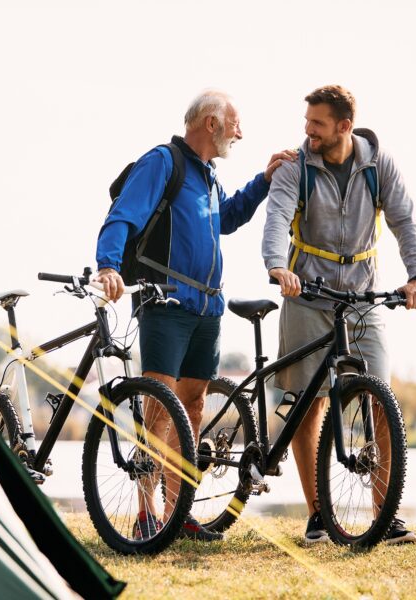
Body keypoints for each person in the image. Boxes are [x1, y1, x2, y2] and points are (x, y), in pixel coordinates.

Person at [95, 89, 295, 542]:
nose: (239, 133)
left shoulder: (207, 176)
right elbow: (122, 216)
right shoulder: (163, 163)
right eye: (235, 124)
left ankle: (176, 511)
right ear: (211, 123)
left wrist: (263, 181)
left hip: (207, 308)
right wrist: (108, 264)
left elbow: (225, 218)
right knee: (161, 409)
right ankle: (147, 514)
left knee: (193, 408)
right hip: (166, 304)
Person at [263, 85, 416, 545]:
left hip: (361, 299)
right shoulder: (295, 167)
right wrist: (277, 266)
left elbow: (405, 220)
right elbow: (276, 217)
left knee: (381, 402)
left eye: (316, 124)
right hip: (306, 295)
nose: (307, 132)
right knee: (306, 402)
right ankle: (318, 515)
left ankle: (384, 513)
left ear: (344, 126)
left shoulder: (379, 165)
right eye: (306, 123)